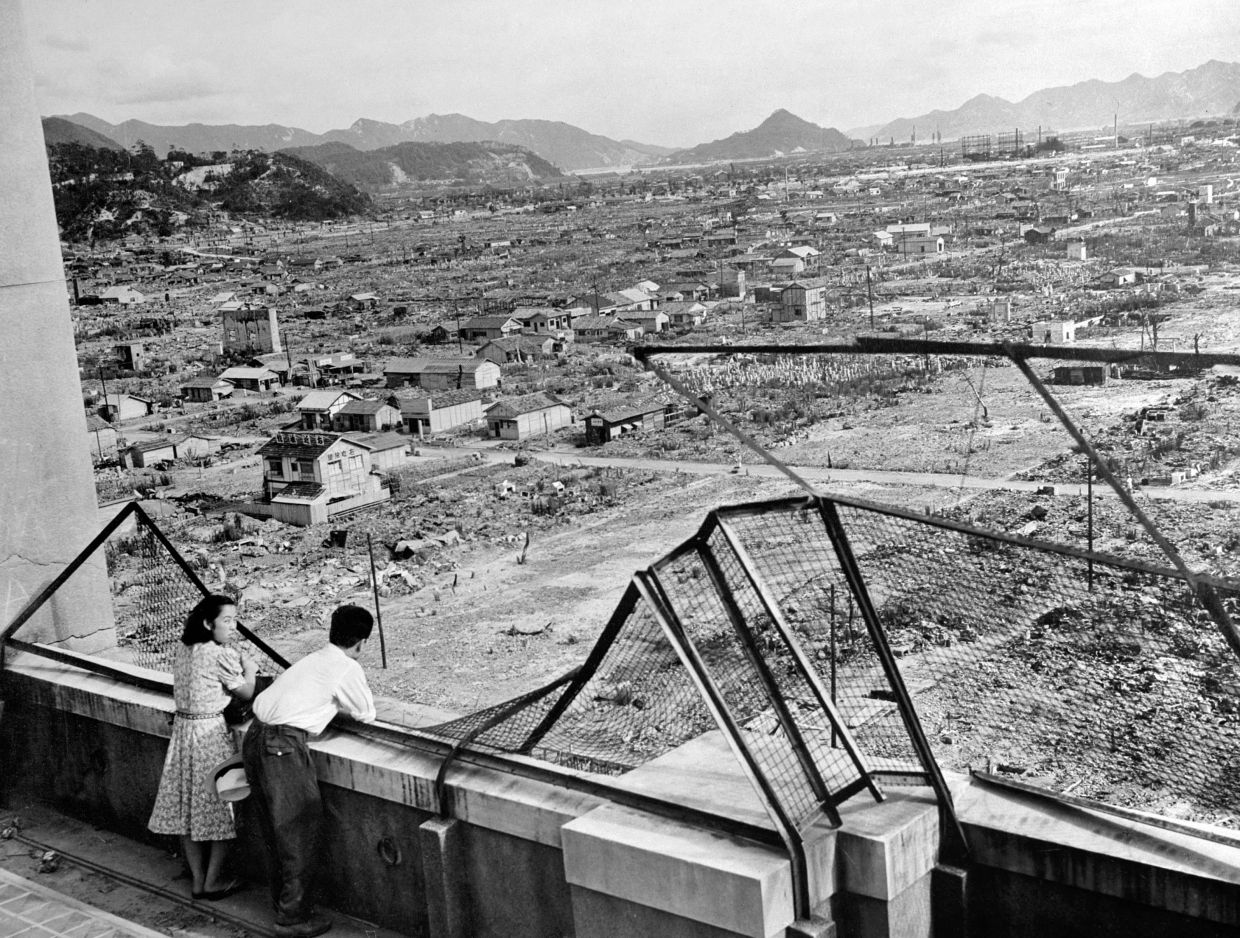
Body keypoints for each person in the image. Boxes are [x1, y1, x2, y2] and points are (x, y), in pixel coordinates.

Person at [242, 604, 377, 938]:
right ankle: (292, 919)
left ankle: (283, 905)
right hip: (283, 745)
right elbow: (366, 713)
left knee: (274, 830)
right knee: (298, 829)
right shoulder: (346, 667)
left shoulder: (312, 658)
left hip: (255, 735)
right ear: (360, 643)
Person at [148, 594, 258, 900]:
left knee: (189, 811)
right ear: (208, 623)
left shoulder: (183, 649)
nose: (233, 626)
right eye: (227, 620)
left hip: (183, 732)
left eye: (235, 619)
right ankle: (213, 882)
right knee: (222, 807)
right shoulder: (219, 653)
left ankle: (198, 880)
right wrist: (250, 667)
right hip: (209, 734)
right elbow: (247, 692)